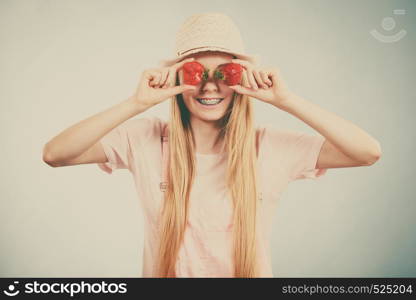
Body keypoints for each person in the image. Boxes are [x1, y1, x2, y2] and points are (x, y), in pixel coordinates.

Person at [42, 13, 382, 278]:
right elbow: (56, 154)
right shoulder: (143, 138)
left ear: (241, 79)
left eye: (224, 74)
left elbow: (367, 153)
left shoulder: (268, 147)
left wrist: (287, 100)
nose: (209, 87)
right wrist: (136, 103)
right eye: (195, 73)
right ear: (176, 79)